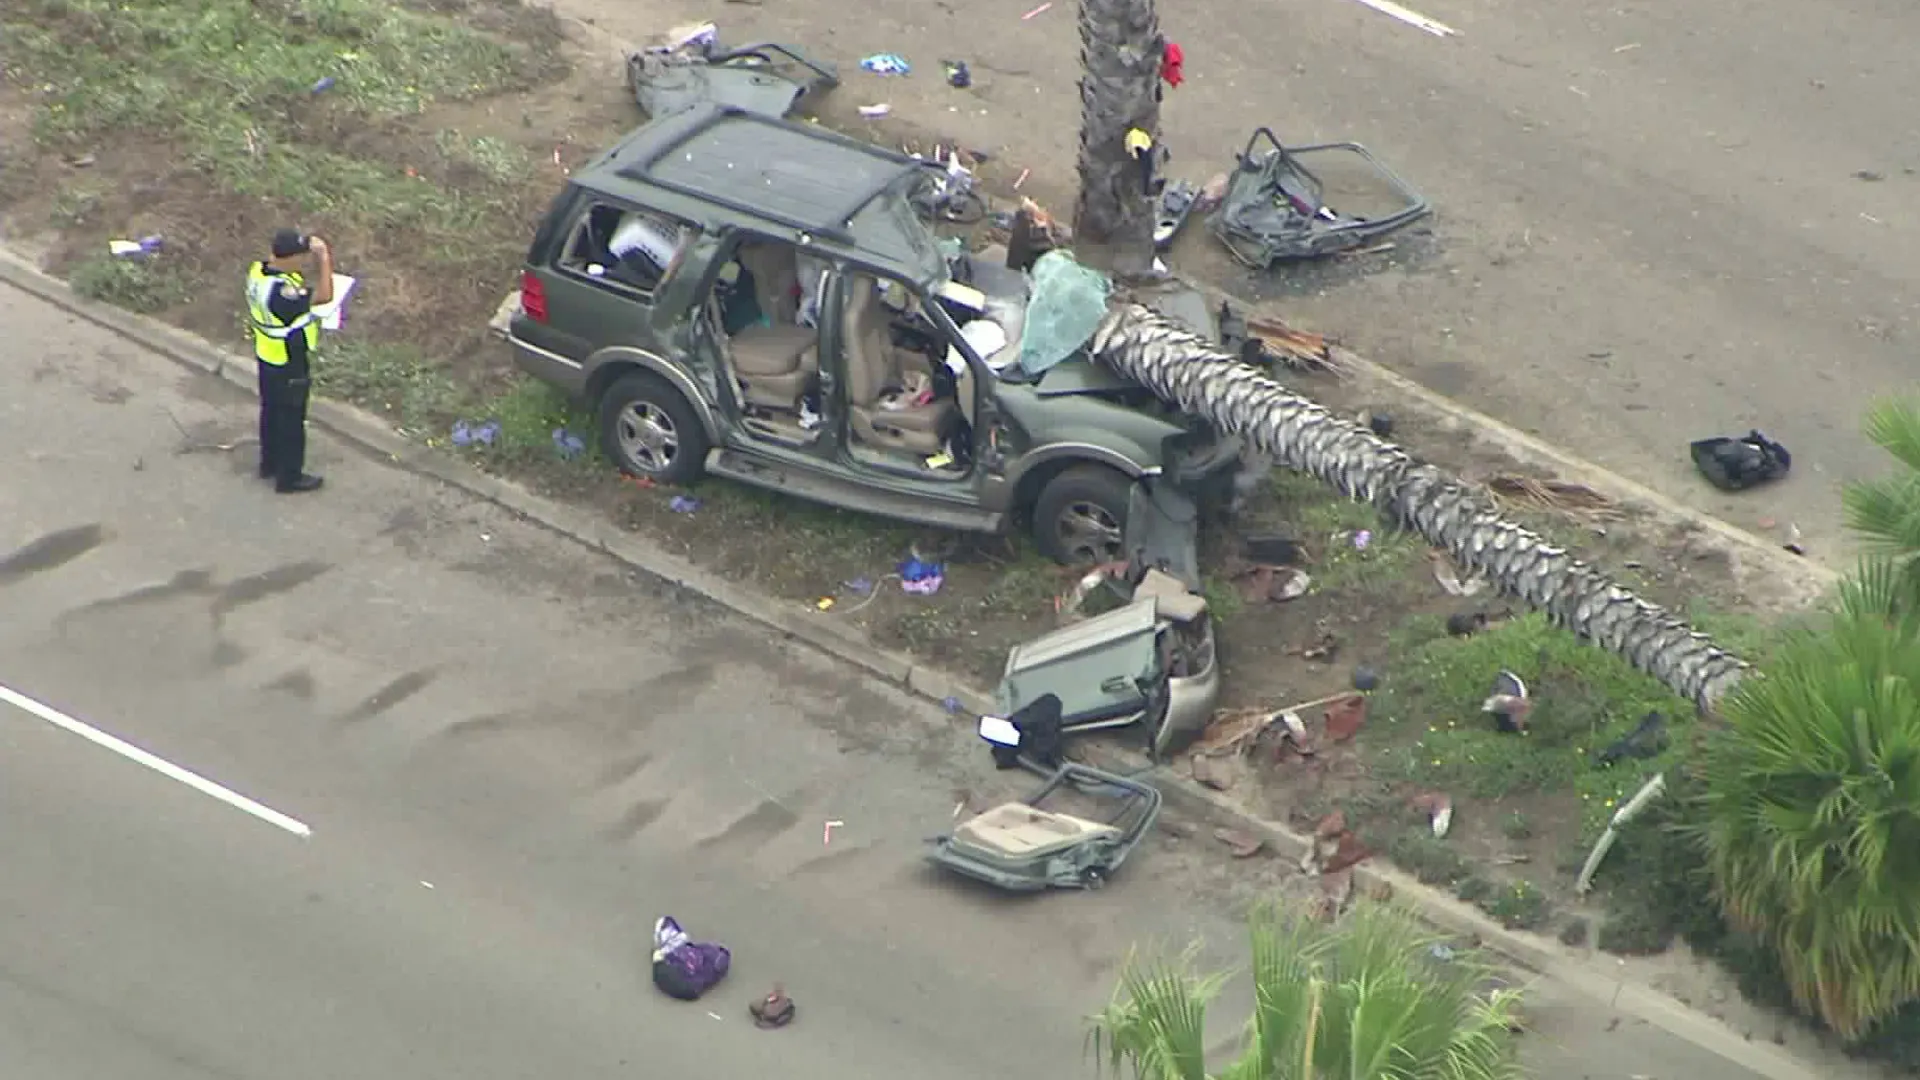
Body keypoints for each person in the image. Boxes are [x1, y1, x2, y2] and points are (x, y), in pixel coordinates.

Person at [246, 228, 334, 493]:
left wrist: (309, 243)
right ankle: (290, 477)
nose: (303, 261)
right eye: (300, 256)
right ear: (288, 259)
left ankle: (269, 463)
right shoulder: (282, 295)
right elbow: (325, 296)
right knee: (292, 419)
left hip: (266, 354)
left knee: (270, 411)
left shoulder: (258, 271)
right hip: (288, 358)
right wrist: (325, 260)